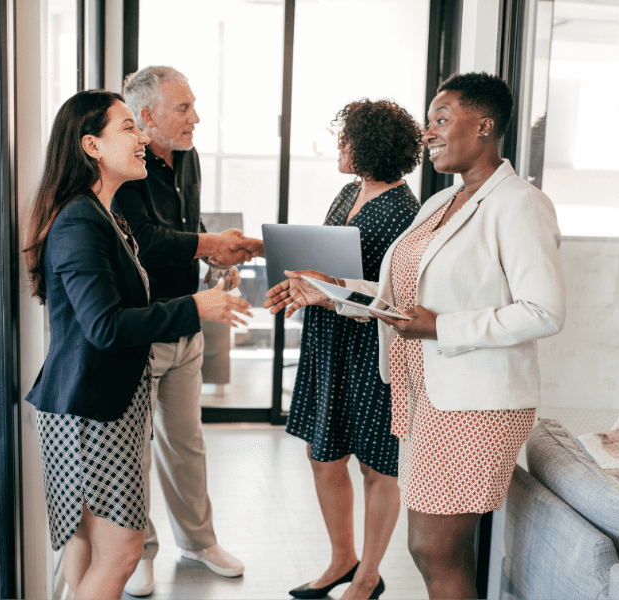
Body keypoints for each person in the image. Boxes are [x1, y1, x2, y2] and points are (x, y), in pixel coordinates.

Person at [266, 72, 566, 599]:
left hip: (475, 405)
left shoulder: (518, 203)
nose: (428, 133)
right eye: (428, 122)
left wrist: (440, 326)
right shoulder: (439, 204)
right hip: (424, 395)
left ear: (484, 125)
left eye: (441, 120)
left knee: (432, 548)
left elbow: (544, 311)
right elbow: (399, 301)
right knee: (440, 550)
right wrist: (333, 291)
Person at [23, 90, 253, 600]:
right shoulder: (81, 219)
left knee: (86, 545)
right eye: (129, 127)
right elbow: (104, 326)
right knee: (123, 550)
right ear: (91, 146)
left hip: (95, 404)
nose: (143, 137)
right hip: (90, 409)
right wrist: (197, 307)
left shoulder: (104, 215)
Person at [112, 65, 262, 595]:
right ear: (146, 117)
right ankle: (140, 553)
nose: (196, 117)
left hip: (188, 321)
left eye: (194, 105)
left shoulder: (189, 157)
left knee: (186, 442)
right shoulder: (126, 166)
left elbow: (185, 230)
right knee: (134, 448)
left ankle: (198, 541)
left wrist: (218, 258)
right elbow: (147, 240)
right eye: (184, 108)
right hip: (145, 326)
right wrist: (210, 243)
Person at [284, 99, 423, 600]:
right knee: (323, 454)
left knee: (375, 464)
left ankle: (368, 575)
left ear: (368, 146)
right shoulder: (347, 193)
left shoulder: (408, 211)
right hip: (328, 339)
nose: (339, 148)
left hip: (371, 346)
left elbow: (398, 294)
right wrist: (301, 282)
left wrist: (333, 284)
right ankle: (342, 557)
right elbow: (328, 262)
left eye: (345, 139)